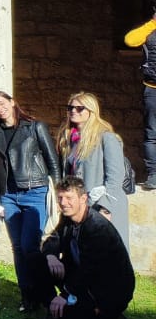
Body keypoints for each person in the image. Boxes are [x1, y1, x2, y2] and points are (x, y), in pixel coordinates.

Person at [25, 178, 136, 319]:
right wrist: (51, 256)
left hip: (106, 289)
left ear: (83, 199)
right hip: (83, 281)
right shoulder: (69, 218)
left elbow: (90, 269)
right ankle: (54, 313)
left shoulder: (97, 227)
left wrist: (65, 295)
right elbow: (54, 238)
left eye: (69, 198)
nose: (63, 203)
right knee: (36, 260)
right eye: (60, 198)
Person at [0, 91, 62, 310]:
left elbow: (53, 162)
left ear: (12, 102)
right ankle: (27, 295)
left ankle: (45, 294)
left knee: (31, 246)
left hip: (35, 191)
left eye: (2, 103)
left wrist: (56, 193)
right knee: (18, 247)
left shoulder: (35, 127)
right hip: (9, 195)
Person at [56, 92, 130, 248]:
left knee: (108, 256)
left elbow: (115, 177)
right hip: (81, 205)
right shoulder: (69, 139)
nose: (73, 111)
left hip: (102, 204)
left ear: (91, 111)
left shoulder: (106, 137)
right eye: (70, 108)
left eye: (79, 108)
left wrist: (105, 207)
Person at [122, 0, 156, 185]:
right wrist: (152, 24)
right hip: (153, 88)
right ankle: (153, 174)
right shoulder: (149, 30)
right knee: (152, 134)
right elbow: (130, 40)